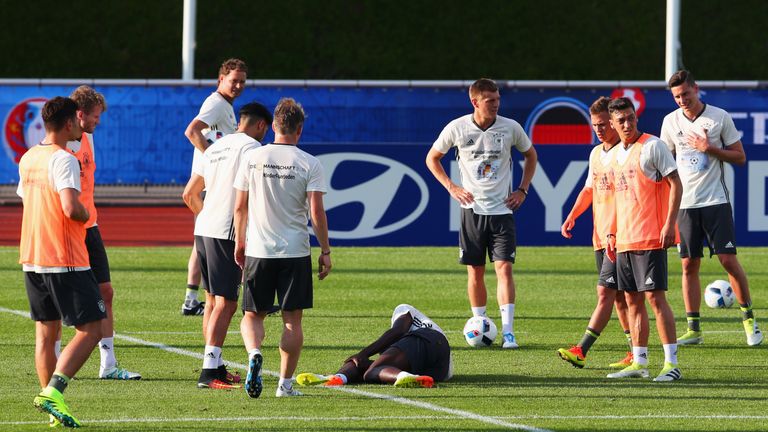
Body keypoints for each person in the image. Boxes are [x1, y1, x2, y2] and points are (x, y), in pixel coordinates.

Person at [425, 78, 537, 349]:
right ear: (475, 102)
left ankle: (508, 331)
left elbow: (531, 155)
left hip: (502, 211)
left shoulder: (510, 127)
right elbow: (432, 158)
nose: (496, 105)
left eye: (498, 99)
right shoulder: (457, 127)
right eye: (490, 101)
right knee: (475, 272)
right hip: (471, 210)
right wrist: (452, 187)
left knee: (504, 269)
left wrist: (522, 189)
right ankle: (480, 324)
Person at [233, 97, 332, 398]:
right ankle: (284, 385)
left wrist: (240, 242)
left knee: (252, 315)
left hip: (259, 249)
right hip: (295, 251)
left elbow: (240, 207)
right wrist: (325, 251)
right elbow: (316, 212)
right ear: (299, 129)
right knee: (292, 321)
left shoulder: (252, 157)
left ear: (274, 125)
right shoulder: (309, 162)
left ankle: (253, 354)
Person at [18, 97, 106, 427]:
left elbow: (27, 200)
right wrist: (85, 213)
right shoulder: (64, 159)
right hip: (65, 256)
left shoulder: (28, 157)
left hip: (33, 255)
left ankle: (52, 409)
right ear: (69, 123)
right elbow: (71, 207)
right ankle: (54, 391)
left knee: (46, 334)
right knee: (92, 328)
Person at [660, 70, 762, 347]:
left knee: (728, 260)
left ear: (696, 89)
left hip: (715, 201)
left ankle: (749, 321)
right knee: (688, 264)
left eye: (686, 94)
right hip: (685, 204)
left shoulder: (719, 117)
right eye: (677, 97)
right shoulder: (670, 122)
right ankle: (694, 329)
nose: (682, 100)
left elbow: (740, 157)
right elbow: (666, 162)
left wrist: (709, 148)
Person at [182, 102, 272, 390]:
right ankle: (209, 371)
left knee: (211, 301)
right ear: (261, 126)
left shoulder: (215, 147)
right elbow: (250, 197)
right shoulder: (251, 150)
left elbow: (189, 193)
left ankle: (215, 364)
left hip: (204, 229)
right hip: (225, 232)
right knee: (227, 303)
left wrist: (208, 215)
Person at [603, 97, 683, 382]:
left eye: (631, 117)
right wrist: (611, 231)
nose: (627, 123)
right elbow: (615, 198)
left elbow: (676, 183)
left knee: (655, 299)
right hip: (624, 239)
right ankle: (639, 362)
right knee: (632, 301)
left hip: (650, 236)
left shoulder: (653, 146)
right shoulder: (613, 155)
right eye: (621, 120)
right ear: (612, 124)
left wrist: (670, 224)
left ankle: (671, 364)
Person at [65, 85, 141, 381]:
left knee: (106, 292)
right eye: (95, 116)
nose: (98, 121)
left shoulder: (88, 139)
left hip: (90, 228)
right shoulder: (60, 146)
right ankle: (57, 357)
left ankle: (108, 365)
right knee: (62, 300)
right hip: (68, 231)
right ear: (80, 114)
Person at [557, 97, 633, 369]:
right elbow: (590, 189)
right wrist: (572, 215)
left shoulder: (623, 154)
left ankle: (582, 349)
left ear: (613, 122)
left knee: (604, 292)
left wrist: (615, 230)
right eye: (595, 125)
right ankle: (634, 352)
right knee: (619, 297)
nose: (599, 130)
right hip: (600, 236)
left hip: (620, 236)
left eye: (603, 124)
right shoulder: (596, 153)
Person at [181, 58, 247, 317]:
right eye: (233, 80)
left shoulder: (225, 106)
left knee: (204, 237)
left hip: (209, 183)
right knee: (213, 237)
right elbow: (192, 130)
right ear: (221, 79)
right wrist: (214, 160)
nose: (238, 85)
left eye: (242, 81)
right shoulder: (216, 103)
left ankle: (192, 298)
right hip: (212, 184)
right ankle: (200, 297)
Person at [295, 304, 453, 388]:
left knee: (371, 371)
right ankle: (337, 378)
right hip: (439, 368)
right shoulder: (409, 351)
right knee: (364, 366)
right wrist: (362, 359)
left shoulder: (405, 310)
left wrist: (364, 353)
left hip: (428, 338)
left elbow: (398, 330)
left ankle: (402, 376)